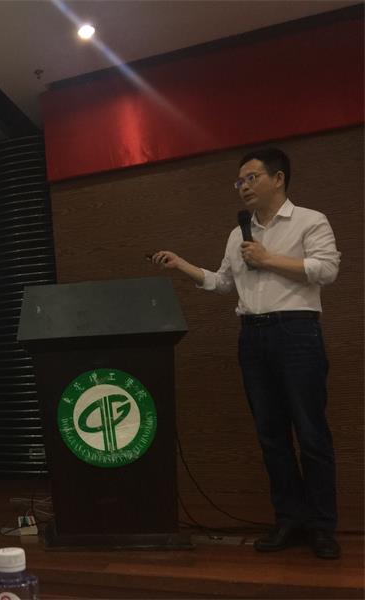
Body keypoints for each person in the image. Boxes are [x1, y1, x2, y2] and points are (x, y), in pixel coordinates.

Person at [151, 147, 341, 559]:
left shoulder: (310, 220)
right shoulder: (238, 234)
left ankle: (323, 526)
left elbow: (327, 270)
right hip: (252, 337)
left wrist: (270, 259)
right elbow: (223, 283)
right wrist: (182, 264)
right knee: (271, 437)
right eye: (239, 181)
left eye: (251, 178)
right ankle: (289, 519)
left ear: (278, 178)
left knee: (311, 433)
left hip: (297, 332)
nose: (243, 187)